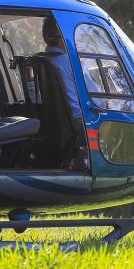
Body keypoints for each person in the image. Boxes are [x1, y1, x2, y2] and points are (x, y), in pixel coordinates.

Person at [41, 18, 90, 169]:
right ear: (59, 38)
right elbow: (96, 98)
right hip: (76, 121)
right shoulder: (72, 62)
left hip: (51, 120)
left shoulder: (40, 61)